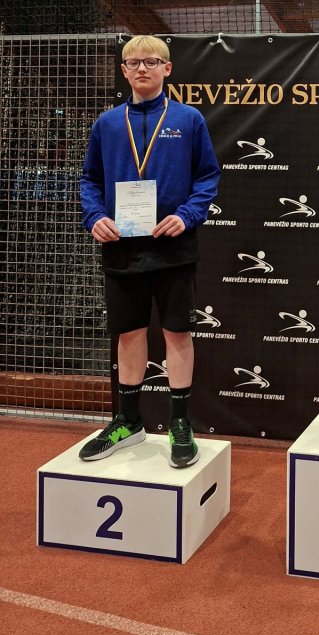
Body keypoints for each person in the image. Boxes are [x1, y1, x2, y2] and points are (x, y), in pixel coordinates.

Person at [79, 35, 221, 467]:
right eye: (134, 62)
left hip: (173, 246)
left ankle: (180, 423)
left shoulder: (188, 119)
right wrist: (94, 216)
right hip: (121, 248)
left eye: (152, 61)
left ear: (167, 68)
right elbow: (90, 180)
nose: (142, 68)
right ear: (124, 71)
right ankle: (128, 421)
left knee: (177, 333)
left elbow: (208, 176)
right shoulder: (107, 124)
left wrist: (188, 215)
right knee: (129, 333)